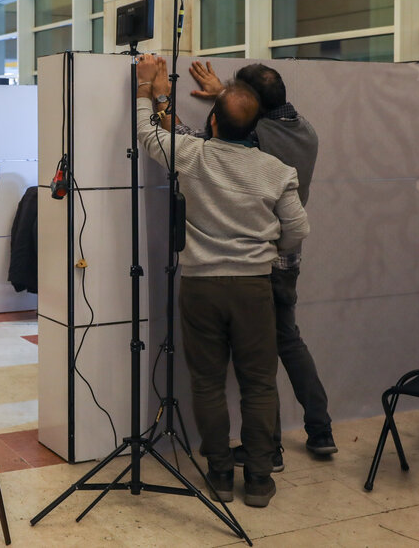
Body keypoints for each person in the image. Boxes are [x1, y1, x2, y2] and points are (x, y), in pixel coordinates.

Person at [136, 54, 309, 508]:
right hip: (254, 288)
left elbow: (147, 135)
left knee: (208, 382)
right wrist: (272, 251)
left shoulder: (193, 156)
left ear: (212, 123)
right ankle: (257, 480)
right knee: (258, 383)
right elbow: (299, 230)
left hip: (201, 287)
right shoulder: (277, 171)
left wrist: (145, 89)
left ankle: (218, 474)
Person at [189, 60, 336, 468]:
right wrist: (224, 93)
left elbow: (213, 148)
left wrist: (220, 100)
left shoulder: (254, 136)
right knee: (288, 340)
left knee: (258, 363)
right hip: (290, 256)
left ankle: (267, 452)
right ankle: (320, 428)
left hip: (257, 258)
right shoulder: (306, 130)